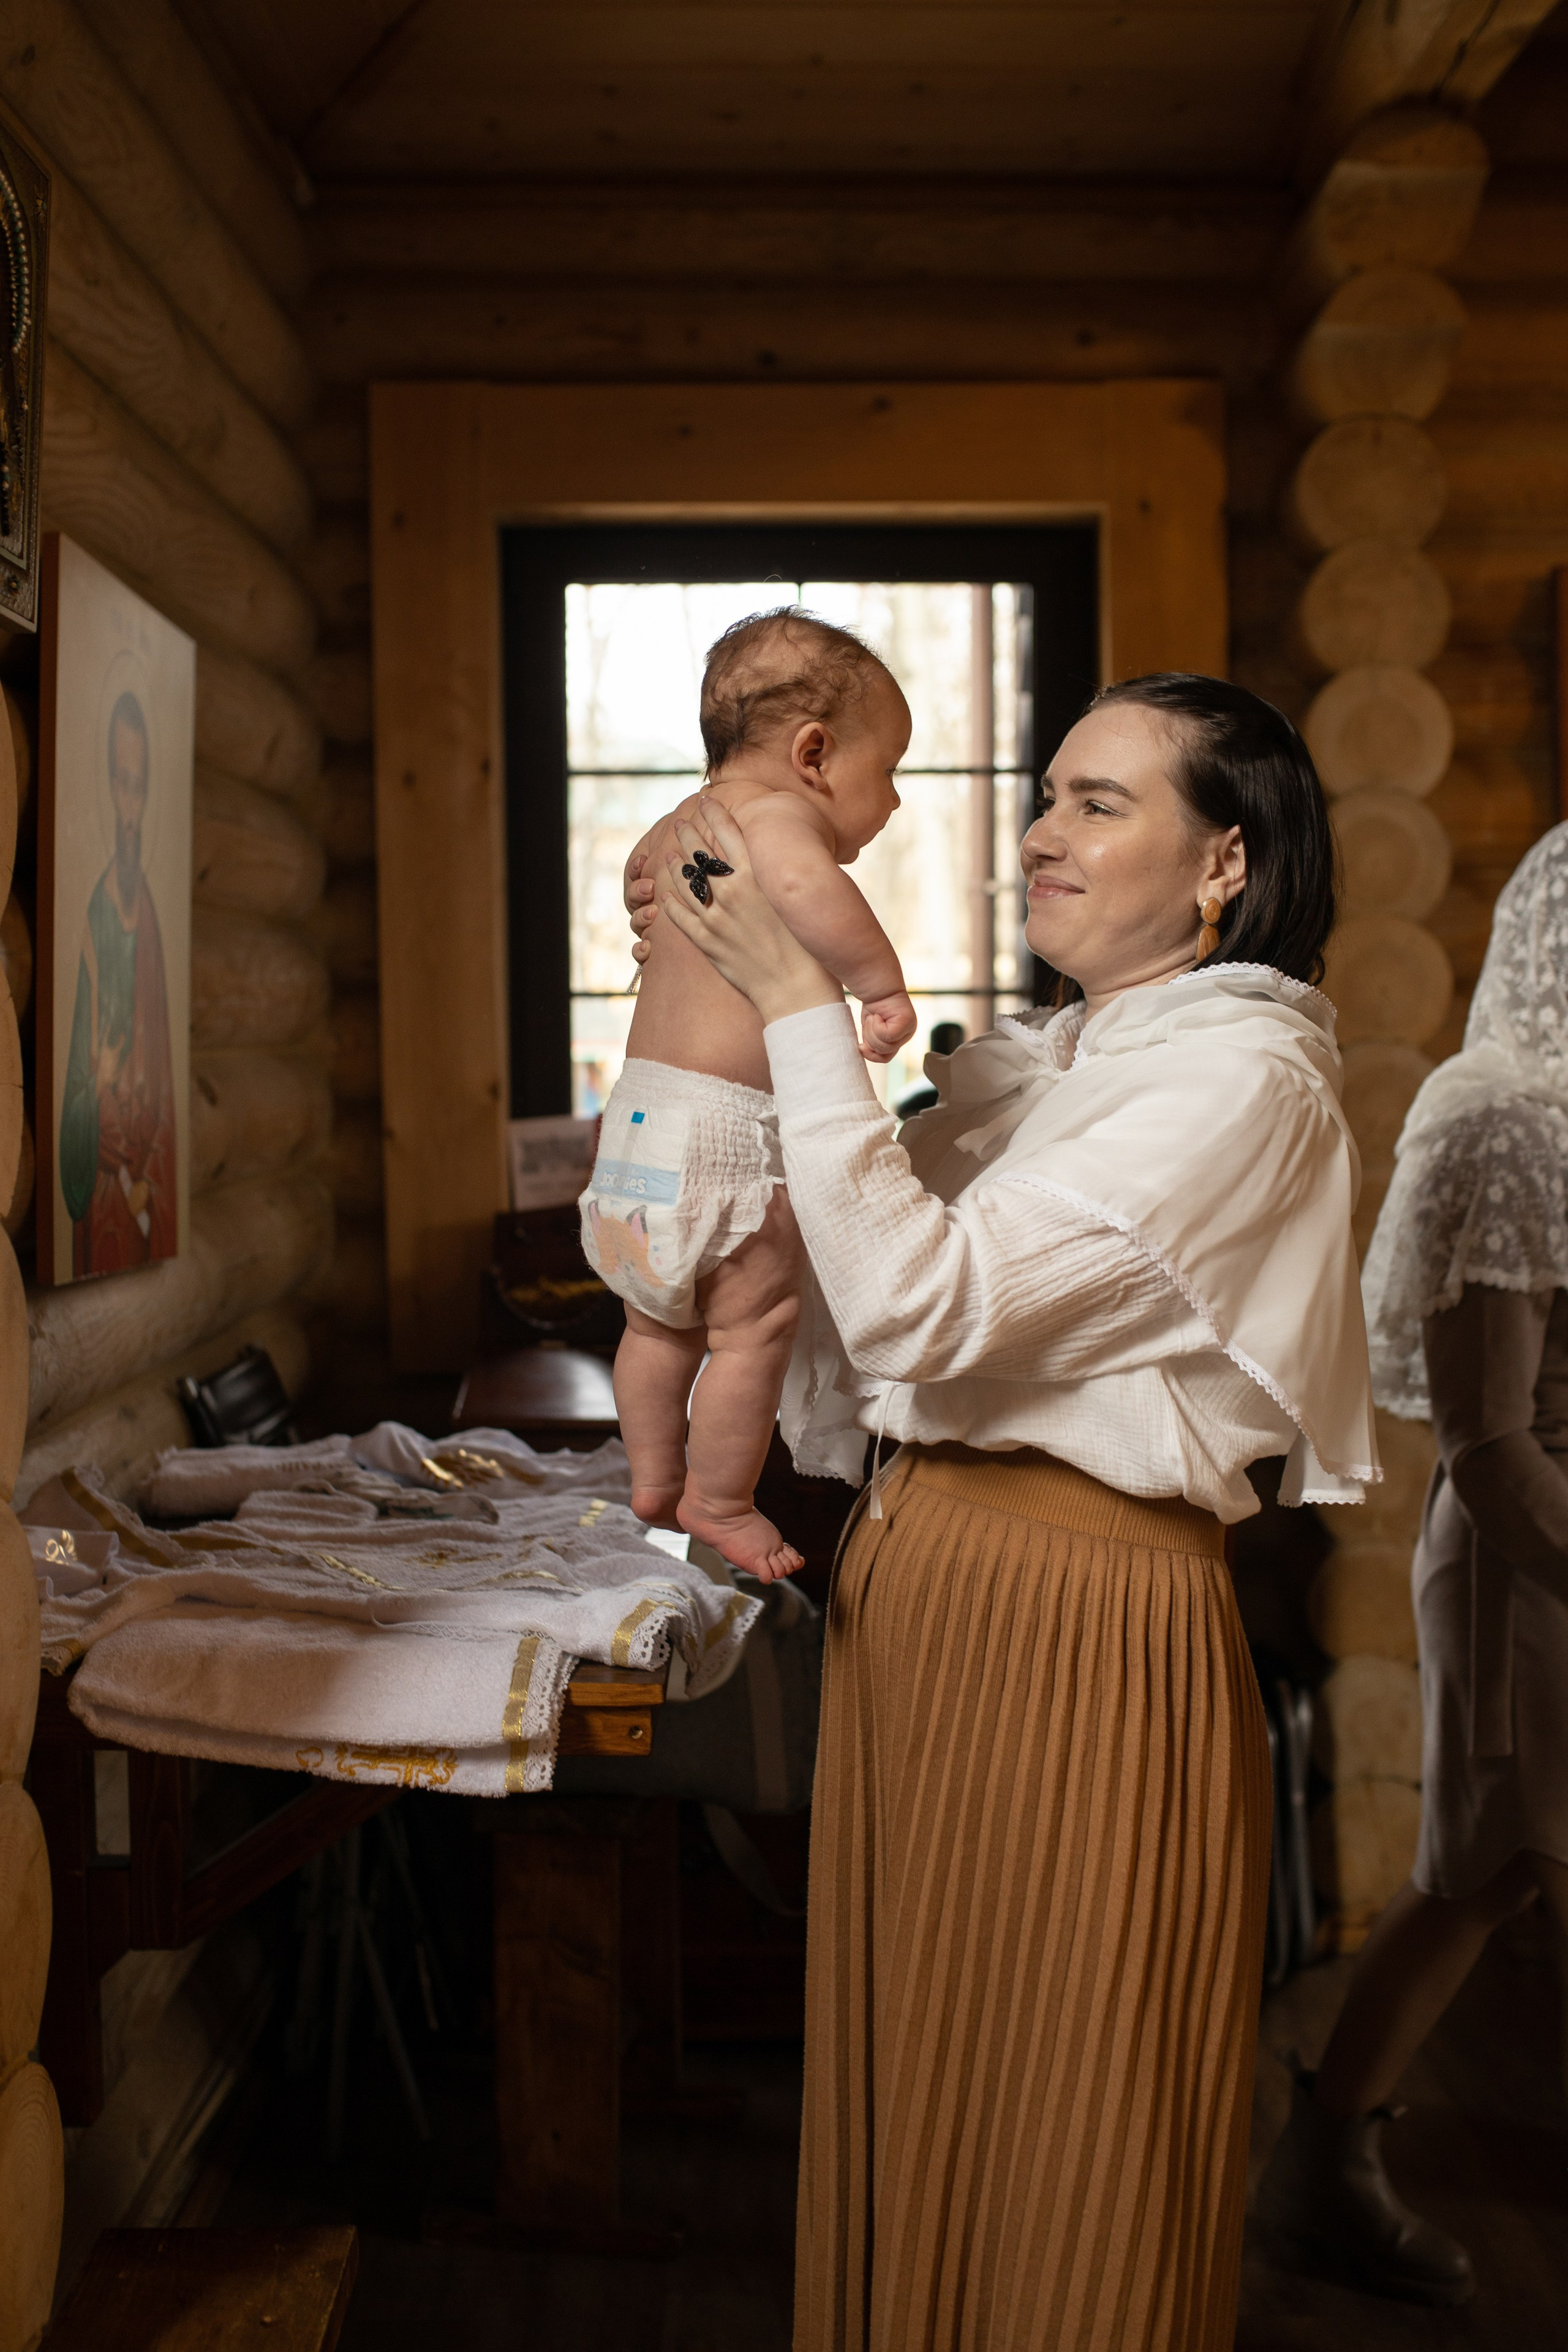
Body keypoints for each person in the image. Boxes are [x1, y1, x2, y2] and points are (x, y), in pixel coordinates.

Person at [633, 672, 1378, 2352]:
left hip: (1080, 1622)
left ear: (1223, 865)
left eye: (1101, 804)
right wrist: (704, 1037)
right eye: (1046, 795)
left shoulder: (1242, 1084)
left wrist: (804, 1009)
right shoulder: (1049, 1066)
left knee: (1068, 2119)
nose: (1042, 833)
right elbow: (833, 1303)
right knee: (930, 2088)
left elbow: (918, 1312)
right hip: (935, 1600)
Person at [1258, 824, 1568, 2310]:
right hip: (1534, 1561)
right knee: (1479, 1875)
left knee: (1491, 1880)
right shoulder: (1504, 1123)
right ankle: (1321, 2161)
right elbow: (1496, 1447)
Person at [579, 609, 918, 1580]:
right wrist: (881, 986)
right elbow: (813, 895)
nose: (891, 799)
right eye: (885, 770)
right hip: (720, 1134)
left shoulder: (670, 828)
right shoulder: (777, 823)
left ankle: (649, 1474)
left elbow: (643, 904)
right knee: (753, 1325)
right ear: (814, 754)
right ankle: (718, 1498)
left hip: (635, 1130)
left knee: (654, 1323)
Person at [59, 687, 177, 1275]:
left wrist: (151, 1179)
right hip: (103, 1203)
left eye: (140, 786)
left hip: (140, 1190)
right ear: (108, 786)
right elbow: (77, 1087)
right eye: (120, 783)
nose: (129, 806)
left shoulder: (151, 916)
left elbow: (164, 1088)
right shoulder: (93, 918)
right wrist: (95, 1106)